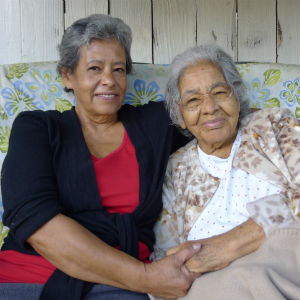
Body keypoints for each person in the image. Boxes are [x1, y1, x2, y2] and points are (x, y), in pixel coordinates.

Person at [0, 15, 277, 300]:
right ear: (67, 76)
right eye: (95, 68)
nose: (109, 80)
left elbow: (216, 118)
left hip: (121, 289)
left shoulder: (155, 125)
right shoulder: (37, 128)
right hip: (27, 277)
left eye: (118, 69)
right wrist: (146, 277)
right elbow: (35, 221)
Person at [150, 44, 300, 299]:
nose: (209, 107)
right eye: (193, 100)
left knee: (246, 280)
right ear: (181, 116)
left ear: (236, 97)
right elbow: (167, 260)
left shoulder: (272, 126)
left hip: (284, 261)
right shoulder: (175, 170)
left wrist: (230, 244)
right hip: (212, 284)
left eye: (219, 92)